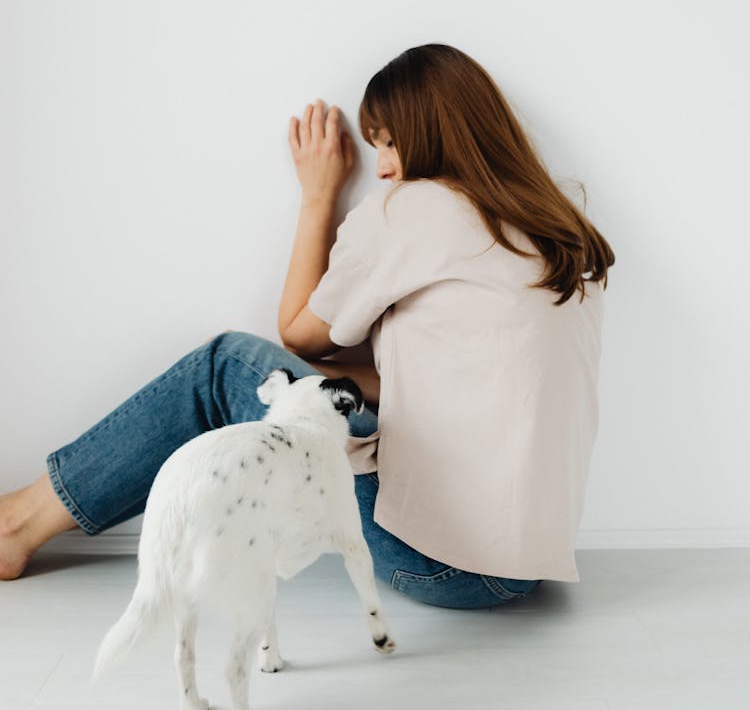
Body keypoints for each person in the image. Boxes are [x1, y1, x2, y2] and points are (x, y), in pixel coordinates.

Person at [0, 43, 614, 608]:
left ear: (430, 139)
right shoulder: (560, 233)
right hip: (518, 569)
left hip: (440, 566)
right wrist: (321, 378)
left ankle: (16, 525)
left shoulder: (418, 208)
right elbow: (456, 385)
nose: (382, 169)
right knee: (296, 384)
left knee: (227, 367)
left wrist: (319, 194)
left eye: (389, 145)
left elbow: (298, 331)